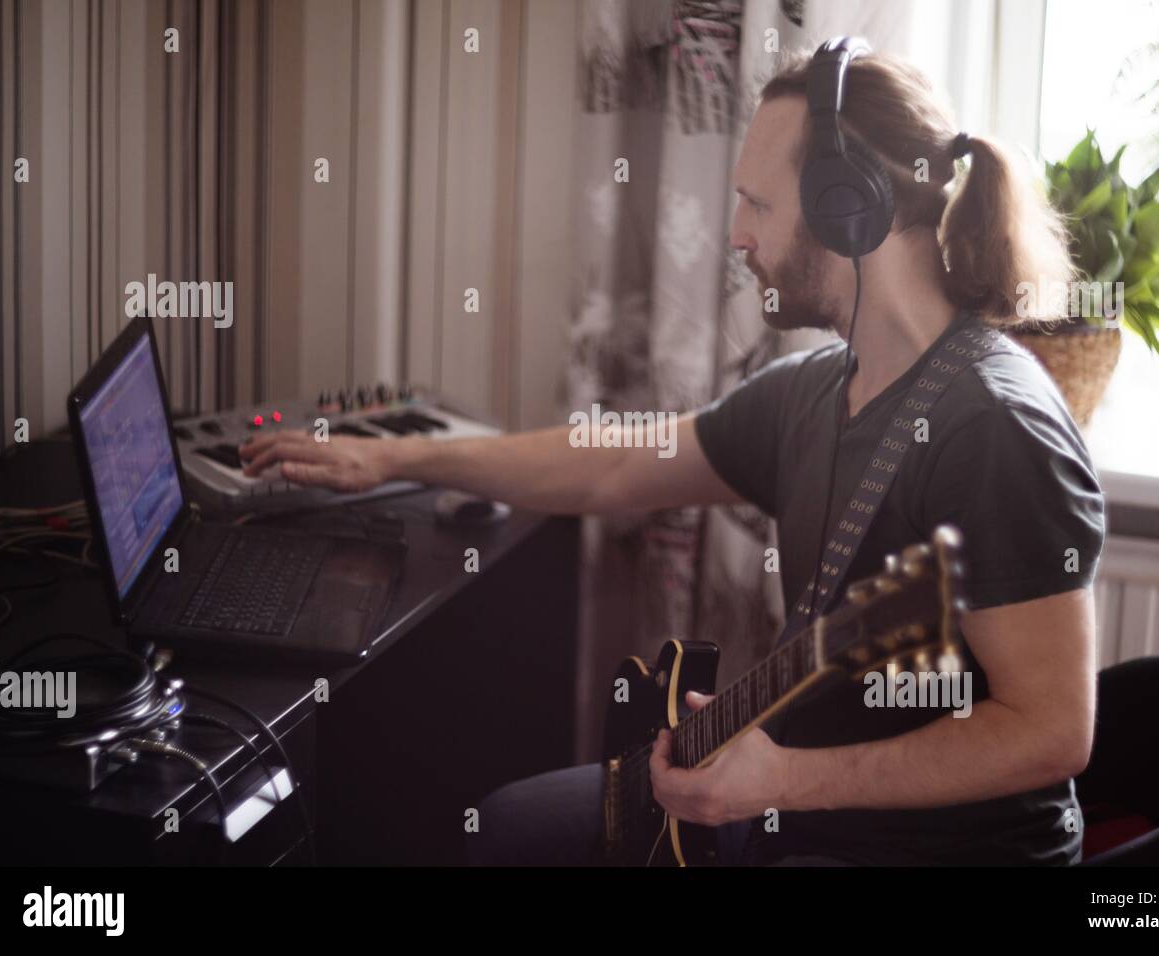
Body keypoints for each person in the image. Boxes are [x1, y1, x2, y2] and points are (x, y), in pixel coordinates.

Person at [240, 45, 1103, 866]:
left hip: (929, 855)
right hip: (798, 803)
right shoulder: (814, 393)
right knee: (506, 831)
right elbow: (617, 462)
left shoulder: (993, 426)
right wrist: (399, 463)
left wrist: (789, 779)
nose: (736, 236)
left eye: (758, 206)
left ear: (852, 208)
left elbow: (1052, 728)